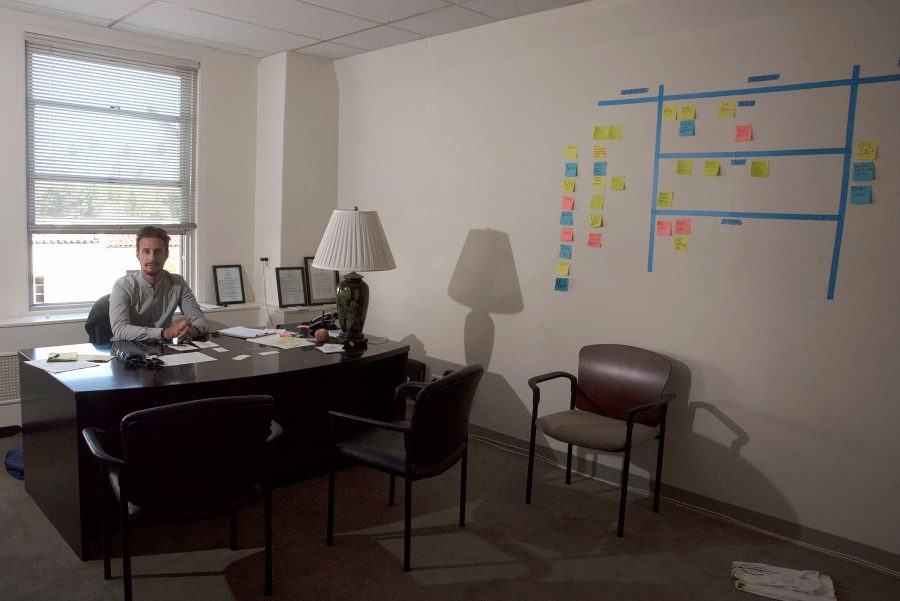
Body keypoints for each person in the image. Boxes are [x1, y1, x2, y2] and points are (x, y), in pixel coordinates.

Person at [109, 226, 209, 342]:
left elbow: (199, 319)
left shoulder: (178, 283)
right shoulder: (122, 286)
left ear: (166, 254)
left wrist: (194, 330)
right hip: (129, 352)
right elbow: (120, 330)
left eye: (158, 252)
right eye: (146, 251)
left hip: (164, 350)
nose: (152, 258)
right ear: (138, 254)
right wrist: (164, 333)